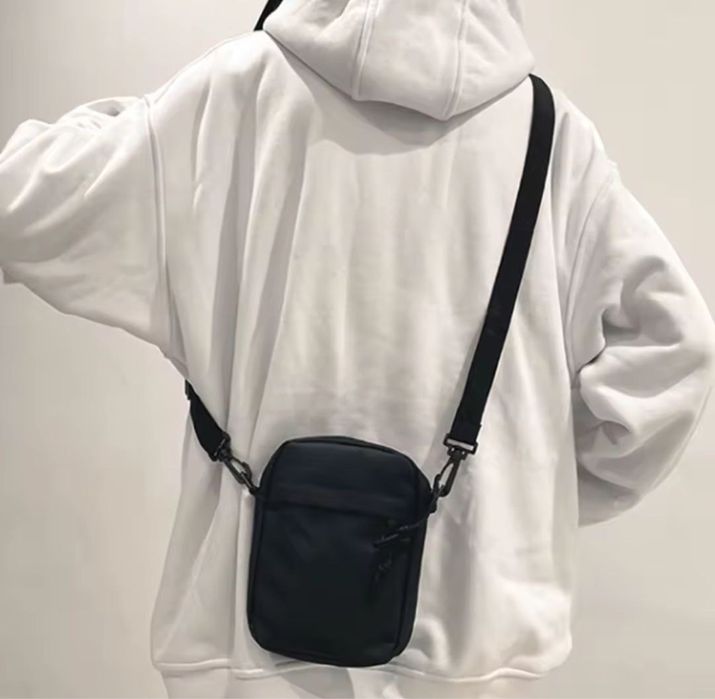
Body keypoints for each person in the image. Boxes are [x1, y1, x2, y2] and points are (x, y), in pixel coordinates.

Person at [1, 1, 714, 697]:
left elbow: (20, 204)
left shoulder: (234, 92)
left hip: (244, 650)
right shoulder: (552, 138)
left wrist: (145, 128)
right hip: (479, 649)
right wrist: (537, 489)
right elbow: (674, 351)